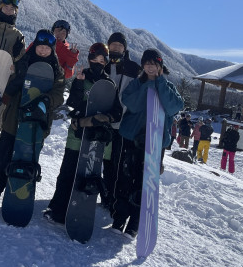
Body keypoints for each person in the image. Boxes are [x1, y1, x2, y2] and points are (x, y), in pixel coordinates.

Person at [0, 29, 65, 211]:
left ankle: (19, 194)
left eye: (47, 48)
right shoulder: (22, 62)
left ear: (52, 50)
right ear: (35, 46)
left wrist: (46, 100)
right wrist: (16, 76)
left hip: (37, 123)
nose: (43, 50)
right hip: (14, 118)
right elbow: (8, 83)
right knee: (3, 157)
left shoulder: (57, 71)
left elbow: (59, 95)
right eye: (40, 47)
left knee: (26, 159)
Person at [43, 43, 121, 224]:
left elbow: (117, 112)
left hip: (97, 139)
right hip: (78, 134)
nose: (98, 63)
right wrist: (78, 84)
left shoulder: (109, 84)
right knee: (67, 172)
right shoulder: (82, 77)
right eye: (95, 59)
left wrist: (105, 118)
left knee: (89, 176)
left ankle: (81, 210)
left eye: (102, 60)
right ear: (89, 59)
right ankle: (58, 209)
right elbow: (72, 104)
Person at [111, 49, 183, 238]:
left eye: (154, 64)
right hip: (131, 137)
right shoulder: (136, 84)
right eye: (147, 63)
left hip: (155, 141)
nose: (150, 67)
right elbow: (132, 104)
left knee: (146, 183)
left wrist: (159, 83)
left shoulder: (168, 86)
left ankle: (134, 223)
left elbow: (174, 107)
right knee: (125, 178)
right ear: (143, 65)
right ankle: (119, 217)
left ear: (160, 66)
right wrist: (148, 86)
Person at [0, 0, 27, 157]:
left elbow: (19, 64)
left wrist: (16, 57)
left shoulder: (18, 36)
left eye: (12, 9)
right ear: (0, 8)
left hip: (2, 83)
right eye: (6, 8)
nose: (8, 11)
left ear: (15, 12)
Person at [102, 32, 140, 212]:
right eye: (113, 44)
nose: (116, 47)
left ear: (125, 48)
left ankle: (116, 197)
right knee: (104, 160)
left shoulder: (134, 68)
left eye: (120, 45)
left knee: (119, 163)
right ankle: (106, 194)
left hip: (124, 124)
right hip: (104, 121)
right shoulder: (104, 64)